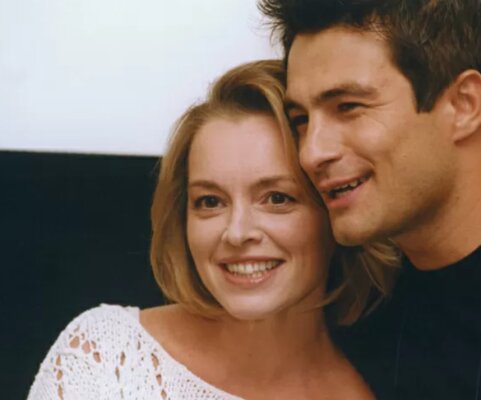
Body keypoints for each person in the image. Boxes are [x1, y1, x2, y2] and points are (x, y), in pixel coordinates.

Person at [259, 0, 481, 399]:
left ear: (464, 105)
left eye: (348, 107)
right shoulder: (352, 300)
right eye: (301, 120)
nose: (311, 153)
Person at [27, 60, 400, 399]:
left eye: (276, 198)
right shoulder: (106, 357)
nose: (236, 233)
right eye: (210, 201)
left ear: (333, 210)